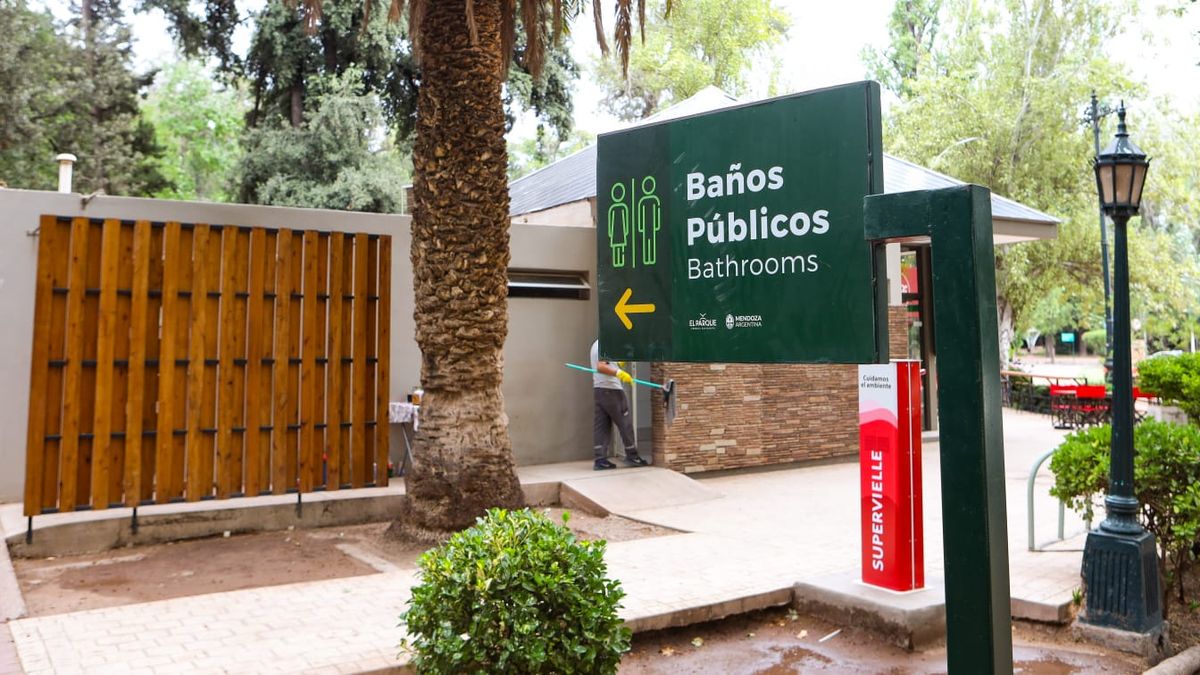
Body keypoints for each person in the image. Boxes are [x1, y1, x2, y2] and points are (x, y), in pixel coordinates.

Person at [591, 339, 649, 470]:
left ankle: (600, 459)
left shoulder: (596, 344)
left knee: (602, 425)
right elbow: (601, 366)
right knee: (625, 422)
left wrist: (618, 364)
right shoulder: (605, 343)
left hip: (599, 389)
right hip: (612, 389)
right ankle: (632, 455)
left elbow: (607, 363)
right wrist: (619, 373)